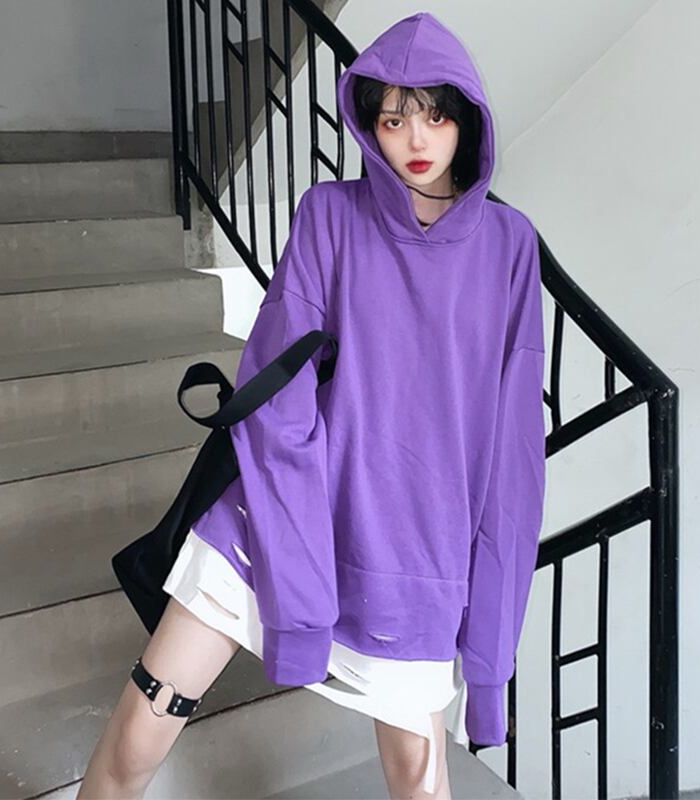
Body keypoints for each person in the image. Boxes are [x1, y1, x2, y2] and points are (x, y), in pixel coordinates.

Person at [77, 11, 546, 800]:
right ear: (369, 126)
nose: (415, 138)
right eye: (392, 119)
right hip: (284, 520)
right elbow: (278, 391)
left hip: (417, 561)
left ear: (465, 118)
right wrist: (297, 569)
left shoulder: (510, 246)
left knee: (421, 787)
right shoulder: (331, 214)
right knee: (138, 731)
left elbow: (513, 460)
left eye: (433, 115)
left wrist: (489, 663)